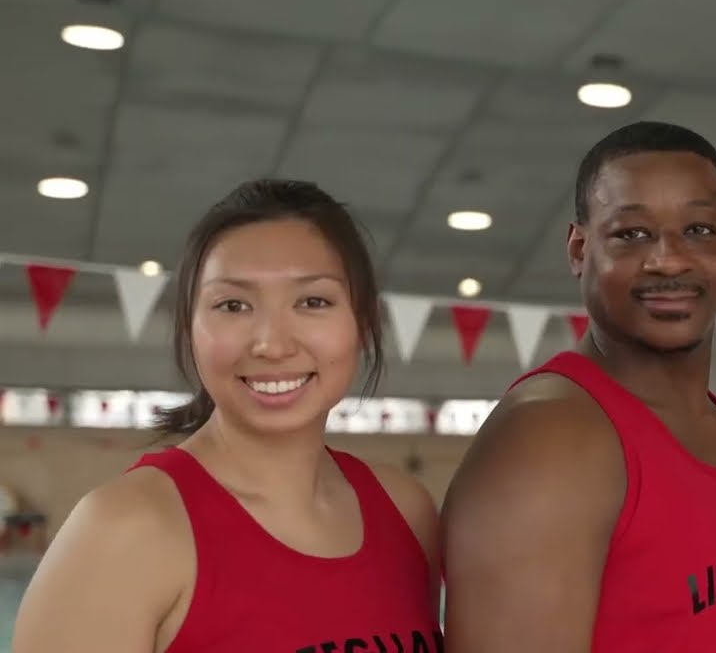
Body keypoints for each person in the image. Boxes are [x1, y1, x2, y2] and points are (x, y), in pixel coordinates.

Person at [14, 180, 443, 653]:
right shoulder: (126, 530)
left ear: (362, 324)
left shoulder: (407, 511)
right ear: (190, 330)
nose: (273, 344)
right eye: (232, 305)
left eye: (313, 301)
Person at [441, 121, 716, 652]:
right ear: (578, 249)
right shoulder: (549, 445)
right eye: (631, 234)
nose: (669, 259)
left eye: (700, 230)